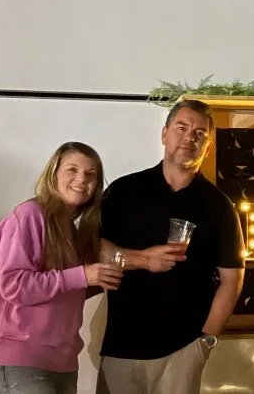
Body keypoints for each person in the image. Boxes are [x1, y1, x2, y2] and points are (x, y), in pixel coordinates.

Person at [98, 99, 245, 394]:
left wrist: (205, 342)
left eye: (199, 133)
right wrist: (144, 259)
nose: (189, 137)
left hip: (183, 350)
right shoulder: (124, 191)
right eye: (181, 128)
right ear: (165, 134)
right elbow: (92, 248)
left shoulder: (218, 205)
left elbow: (233, 279)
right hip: (121, 345)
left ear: (208, 144)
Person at [0, 142, 123, 394]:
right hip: (19, 359)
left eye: (91, 174)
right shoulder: (29, 215)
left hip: (63, 363)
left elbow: (61, 291)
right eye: (72, 170)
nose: (81, 179)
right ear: (54, 174)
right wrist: (83, 275)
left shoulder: (73, 230)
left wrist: (95, 280)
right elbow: (13, 285)